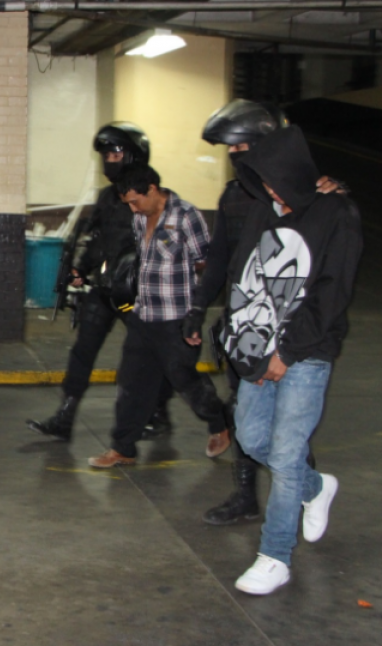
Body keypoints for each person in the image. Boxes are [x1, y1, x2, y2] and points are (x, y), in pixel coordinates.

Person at [223, 125, 361, 595]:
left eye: (276, 180)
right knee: (251, 438)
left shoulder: (335, 212)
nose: (271, 190)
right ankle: (315, 487)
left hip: (308, 352)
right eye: (263, 181)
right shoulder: (264, 210)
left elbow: (331, 293)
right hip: (258, 352)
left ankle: (275, 555)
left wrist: (289, 350)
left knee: (284, 453)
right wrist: (241, 342)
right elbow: (245, 275)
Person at [189, 100, 342, 526]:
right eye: (231, 153)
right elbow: (220, 257)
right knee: (246, 418)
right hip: (243, 326)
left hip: (291, 331)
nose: (238, 161)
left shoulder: (310, 194)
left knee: (288, 426)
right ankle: (245, 495)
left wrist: (331, 188)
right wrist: (198, 310)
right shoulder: (236, 197)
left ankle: (297, 495)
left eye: (244, 150)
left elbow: (323, 258)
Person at [27, 123, 173, 442]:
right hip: (107, 288)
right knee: (83, 350)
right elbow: (98, 240)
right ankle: (65, 415)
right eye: (106, 154)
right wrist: (80, 268)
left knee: (149, 352)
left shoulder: (150, 192)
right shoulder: (108, 197)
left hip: (139, 293)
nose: (110, 159)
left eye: (116, 152)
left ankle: (159, 413)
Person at [88, 163, 230, 468]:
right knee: (132, 383)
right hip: (143, 314)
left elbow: (208, 261)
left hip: (175, 317)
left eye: (136, 201)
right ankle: (123, 447)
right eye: (128, 204)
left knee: (185, 380)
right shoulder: (140, 218)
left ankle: (220, 423)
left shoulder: (186, 216)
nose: (134, 209)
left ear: (153, 189)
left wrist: (195, 310)